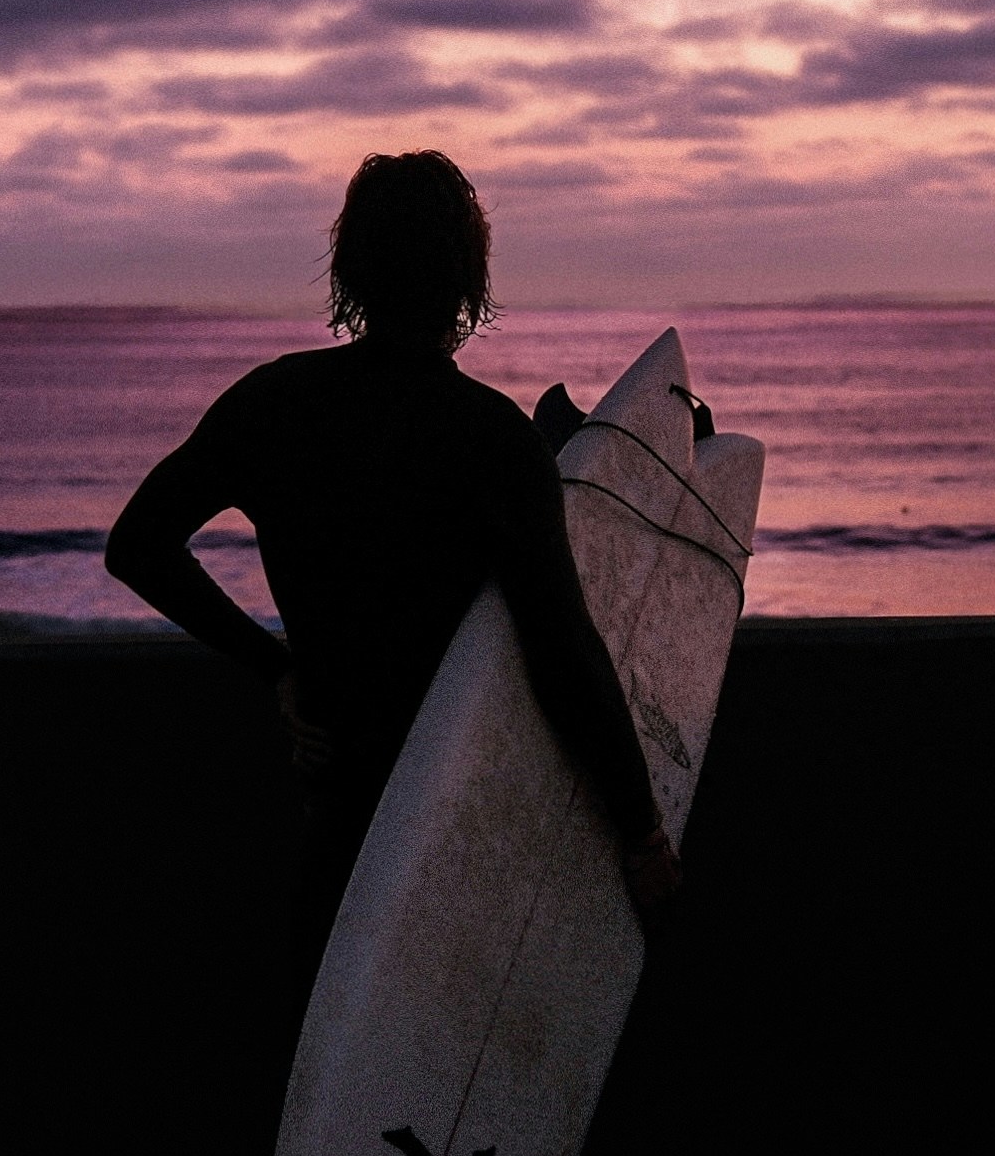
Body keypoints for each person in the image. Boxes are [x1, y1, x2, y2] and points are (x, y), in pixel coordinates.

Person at [104, 151, 681, 1001]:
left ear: (351, 271)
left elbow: (138, 545)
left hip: (341, 811)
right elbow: (563, 655)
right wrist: (641, 832)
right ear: (466, 278)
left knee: (329, 1044)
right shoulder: (492, 440)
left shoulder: (273, 404)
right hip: (473, 812)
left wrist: (279, 668)